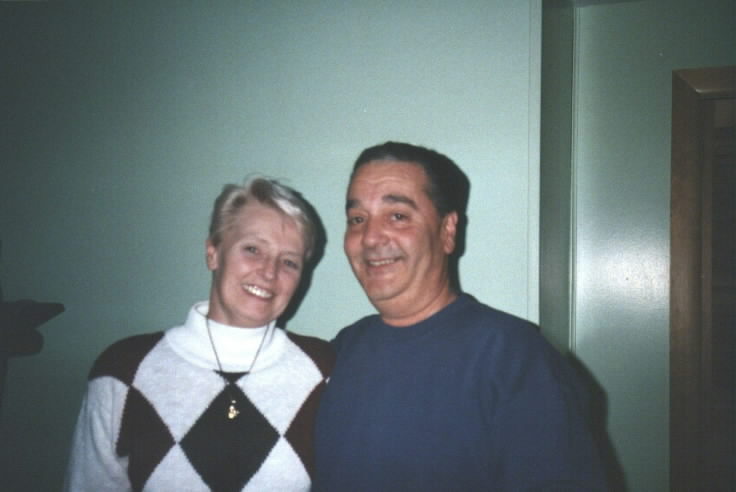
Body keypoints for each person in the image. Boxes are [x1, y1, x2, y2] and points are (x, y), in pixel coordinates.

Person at [313, 142, 606, 491]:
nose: (370, 237)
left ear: (447, 231)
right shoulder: (339, 350)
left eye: (398, 216)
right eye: (357, 219)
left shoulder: (515, 357)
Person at [65, 177, 334, 491]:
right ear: (213, 253)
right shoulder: (124, 370)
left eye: (289, 262)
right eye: (252, 249)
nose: (269, 272)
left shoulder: (323, 370)